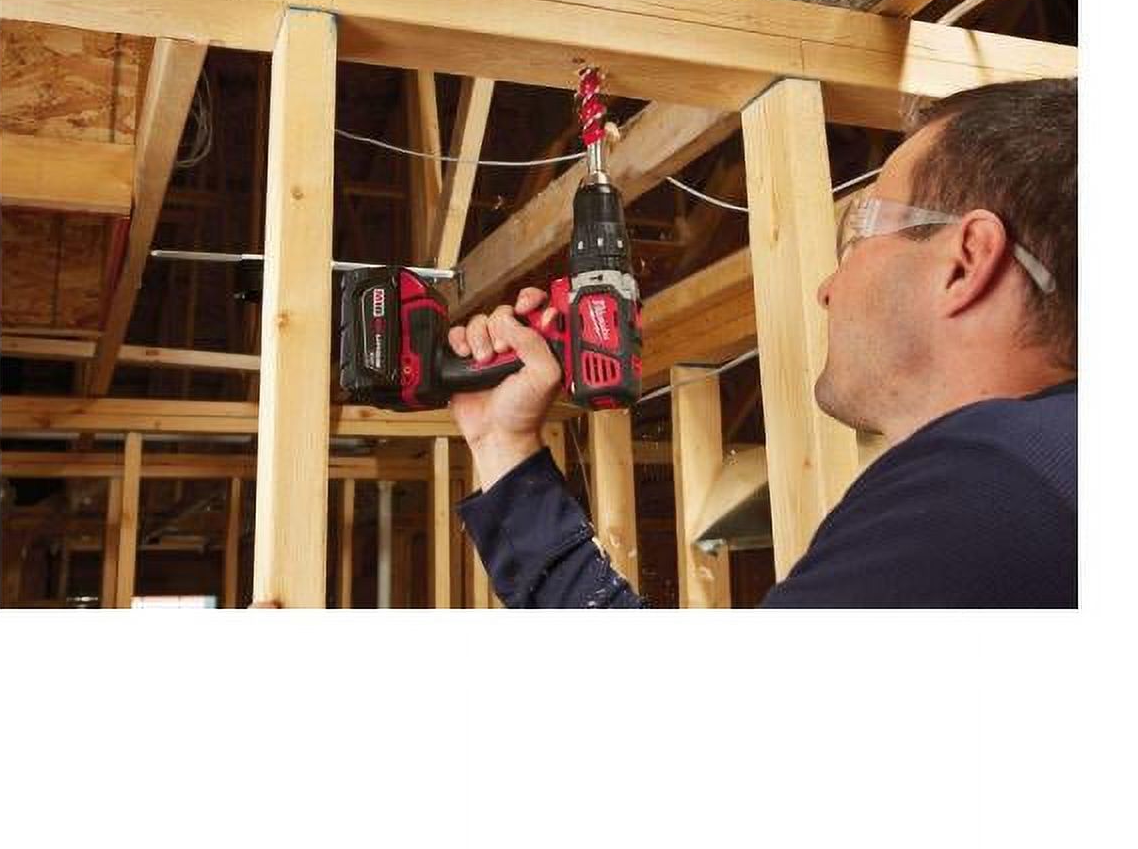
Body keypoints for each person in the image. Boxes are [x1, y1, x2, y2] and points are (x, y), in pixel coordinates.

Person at [449, 77, 1077, 608]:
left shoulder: (988, 487)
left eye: (858, 232)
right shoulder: (1050, 473)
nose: (827, 290)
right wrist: (504, 443)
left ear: (966, 261)